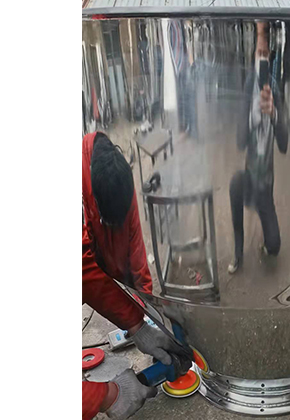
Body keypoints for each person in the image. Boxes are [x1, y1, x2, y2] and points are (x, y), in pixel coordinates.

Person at [82, 132, 180, 420]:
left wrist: (146, 318)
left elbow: (136, 256)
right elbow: (83, 271)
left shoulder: (118, 185)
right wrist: (105, 396)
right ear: (93, 201)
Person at [228, 22, 288, 274]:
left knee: (274, 246)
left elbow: (284, 145)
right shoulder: (247, 87)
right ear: (254, 56)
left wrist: (274, 114)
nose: (262, 58)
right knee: (235, 185)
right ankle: (238, 253)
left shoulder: (276, 90)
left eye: (265, 54)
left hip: (265, 185)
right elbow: (240, 141)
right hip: (249, 177)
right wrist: (253, 117)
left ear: (270, 58)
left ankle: (266, 239)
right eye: (258, 54)